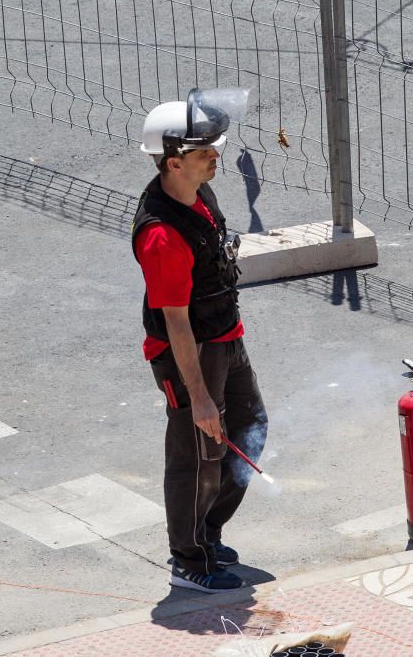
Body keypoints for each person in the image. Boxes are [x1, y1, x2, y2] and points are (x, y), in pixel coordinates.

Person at [131, 89, 269, 594]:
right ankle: (188, 559)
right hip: (189, 354)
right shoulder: (161, 237)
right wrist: (201, 398)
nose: (217, 158)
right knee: (198, 453)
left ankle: (207, 531)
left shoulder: (200, 196)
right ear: (172, 162)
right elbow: (177, 324)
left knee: (250, 428)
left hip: (225, 339)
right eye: (204, 153)